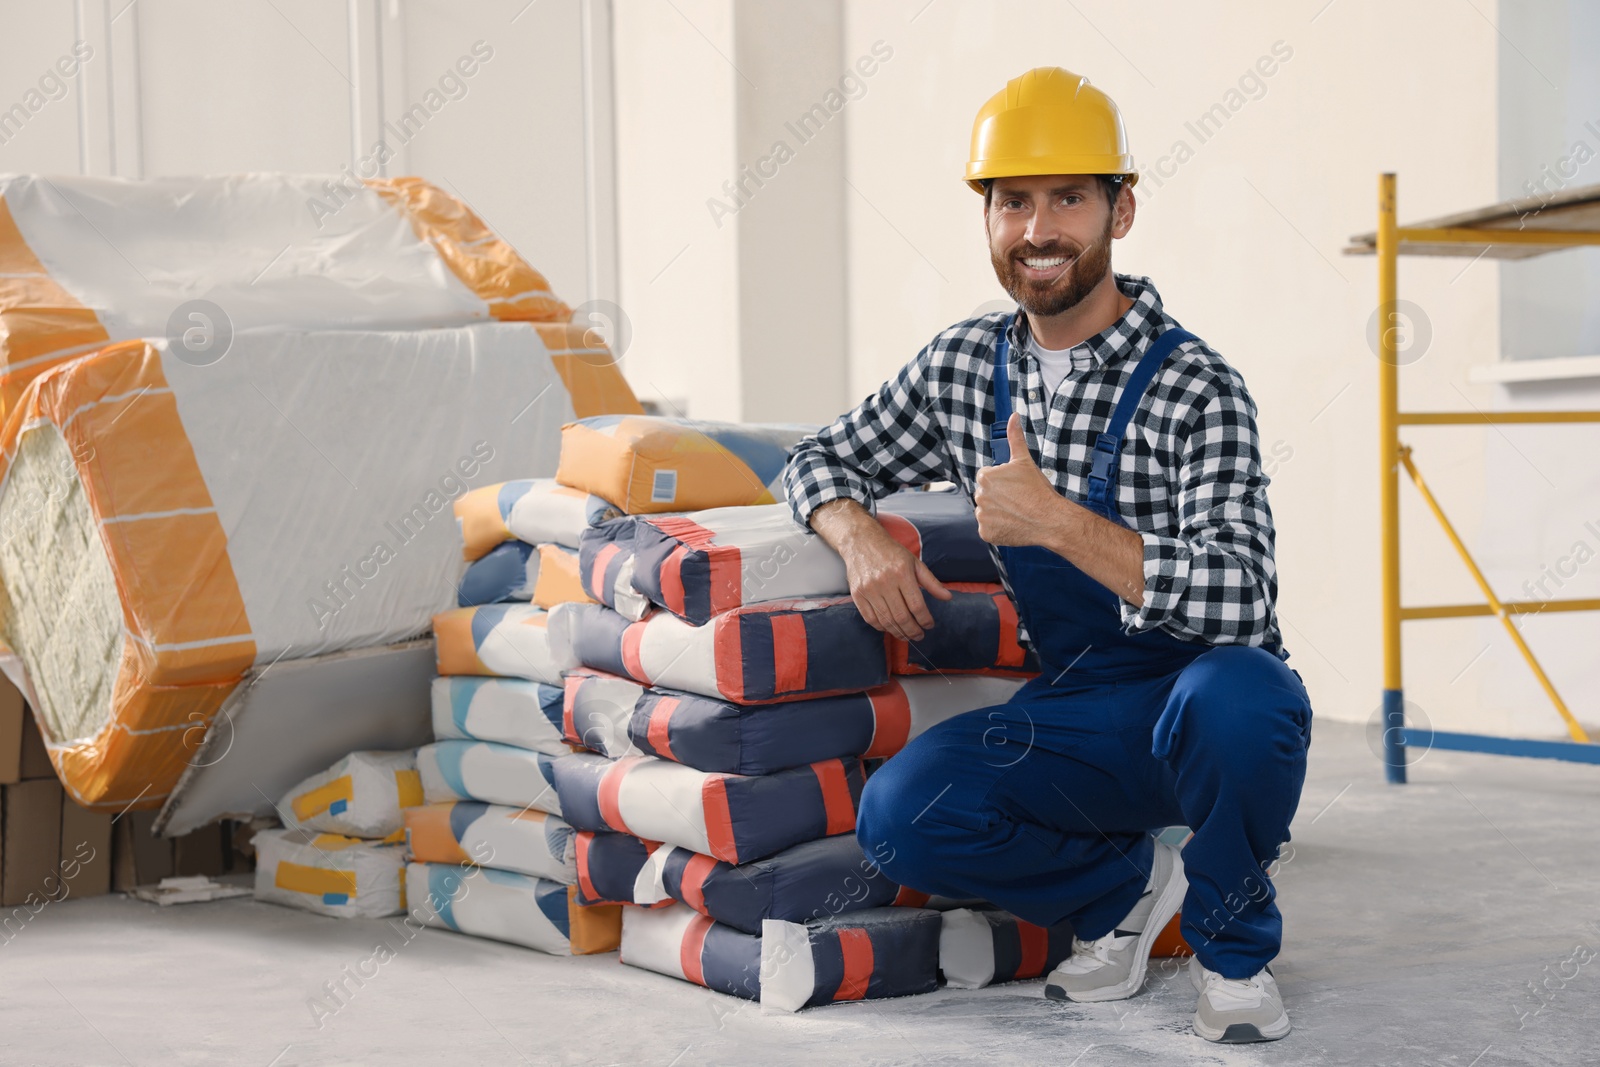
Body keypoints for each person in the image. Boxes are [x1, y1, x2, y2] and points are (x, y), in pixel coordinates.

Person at [782, 67, 1312, 1044]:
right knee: (902, 811)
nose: (1038, 230)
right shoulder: (961, 367)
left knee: (1244, 697)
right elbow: (816, 456)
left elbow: (1242, 594)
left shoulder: (1195, 384)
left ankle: (1233, 950)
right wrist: (855, 534)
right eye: (1012, 202)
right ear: (984, 218)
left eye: (1069, 196)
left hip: (1200, 700)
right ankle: (1122, 891)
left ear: (1123, 207)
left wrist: (1057, 521)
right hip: (1077, 711)